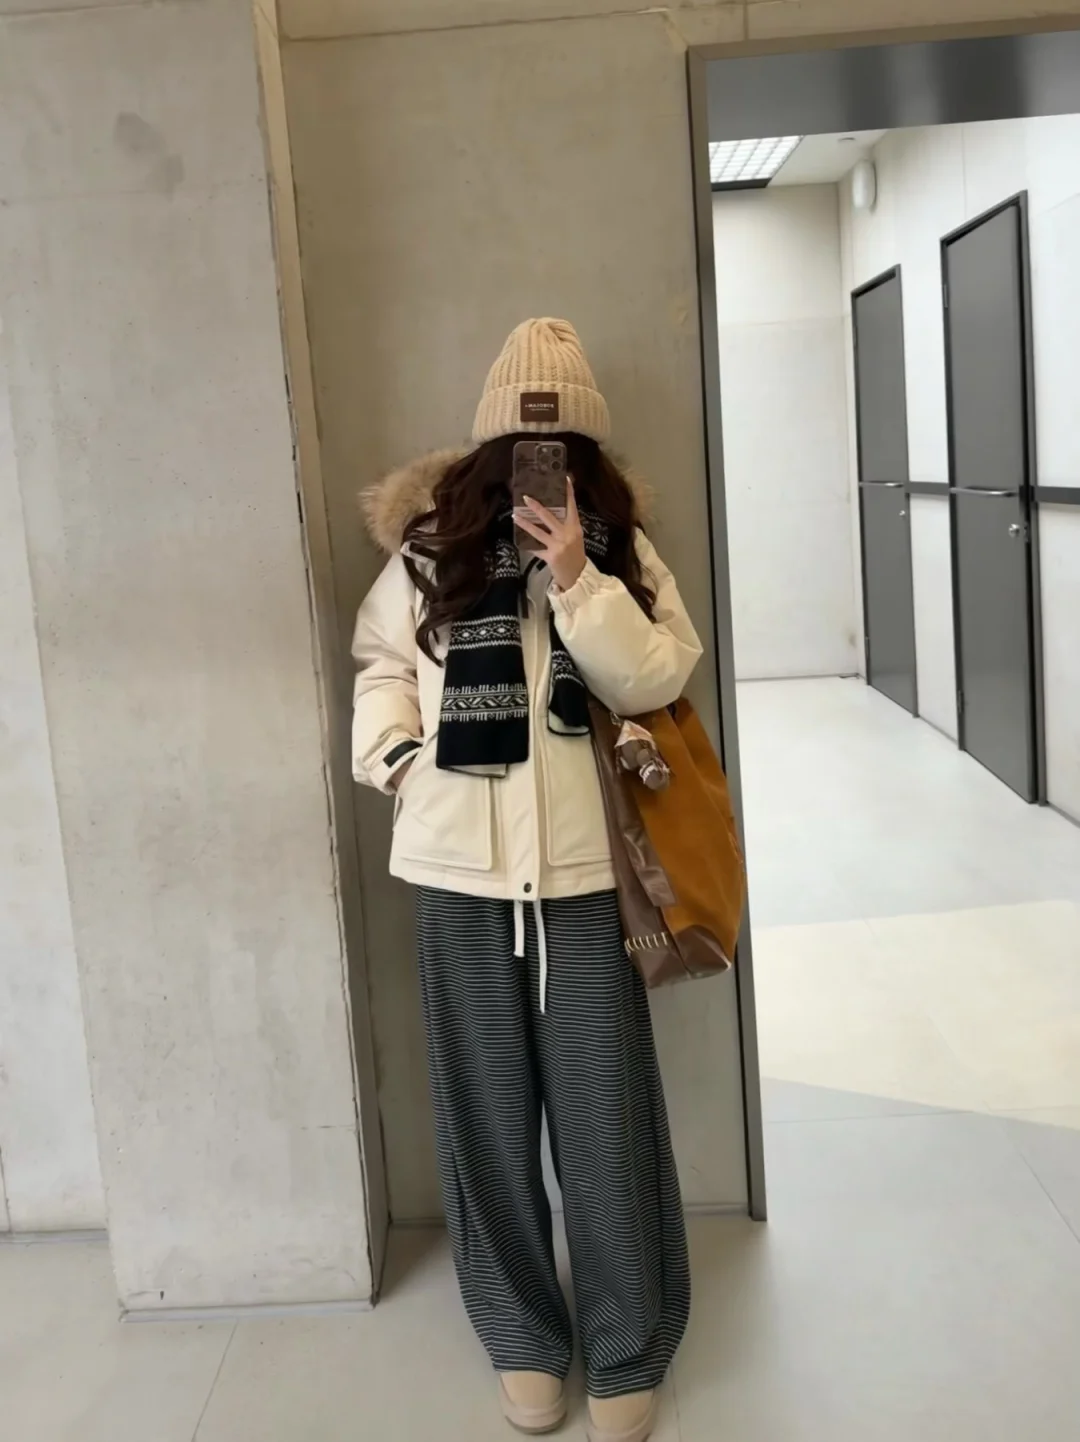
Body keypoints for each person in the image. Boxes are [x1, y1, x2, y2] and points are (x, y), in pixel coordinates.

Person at [351, 319, 700, 1442]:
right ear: (489, 442)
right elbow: (383, 664)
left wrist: (579, 576)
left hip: (591, 879)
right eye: (517, 444)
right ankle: (521, 1337)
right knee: (485, 1123)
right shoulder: (429, 548)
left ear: (581, 450)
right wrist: (397, 760)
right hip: (459, 875)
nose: (534, 467)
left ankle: (628, 1344)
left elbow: (656, 677)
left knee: (605, 1122)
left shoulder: (621, 548)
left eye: (556, 448)